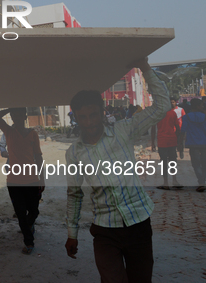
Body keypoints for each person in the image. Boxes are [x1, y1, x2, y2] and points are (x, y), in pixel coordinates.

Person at [64, 57, 169, 283]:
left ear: (102, 112)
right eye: (82, 117)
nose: (89, 122)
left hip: (138, 223)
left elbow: (162, 106)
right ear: (76, 118)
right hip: (104, 229)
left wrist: (145, 68)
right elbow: (74, 194)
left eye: (93, 114)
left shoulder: (124, 130)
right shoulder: (74, 153)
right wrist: (72, 234)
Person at [0, 108, 45, 255]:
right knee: (20, 213)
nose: (16, 117)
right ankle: (29, 241)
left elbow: (39, 157)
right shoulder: (9, 132)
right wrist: (11, 107)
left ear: (25, 116)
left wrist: (42, 179)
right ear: (11, 117)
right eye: (13, 115)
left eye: (19, 114)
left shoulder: (33, 134)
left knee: (34, 211)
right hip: (14, 181)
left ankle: (28, 226)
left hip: (32, 180)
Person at [151, 98, 183, 190]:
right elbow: (177, 128)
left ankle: (165, 183)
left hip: (161, 142)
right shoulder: (173, 113)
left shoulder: (157, 115)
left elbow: (153, 130)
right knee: (173, 161)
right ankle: (174, 180)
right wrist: (179, 142)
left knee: (163, 161)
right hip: (172, 140)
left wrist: (153, 143)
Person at [181, 98, 206, 192]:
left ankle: (201, 182)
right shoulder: (204, 117)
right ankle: (203, 180)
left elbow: (183, 131)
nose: (203, 106)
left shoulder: (186, 117)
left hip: (192, 143)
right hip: (204, 143)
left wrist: (180, 144)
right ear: (197, 106)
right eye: (201, 105)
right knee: (204, 163)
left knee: (196, 164)